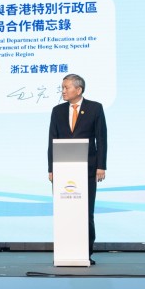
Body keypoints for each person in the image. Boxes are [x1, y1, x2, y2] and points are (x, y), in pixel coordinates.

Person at [48, 73, 107, 264]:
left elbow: (101, 139)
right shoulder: (57, 111)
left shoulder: (95, 108)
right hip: (63, 170)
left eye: (66, 87)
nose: (63, 91)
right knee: (65, 212)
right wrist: (51, 168)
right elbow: (52, 140)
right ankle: (64, 252)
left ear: (78, 89)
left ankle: (85, 253)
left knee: (85, 212)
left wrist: (101, 166)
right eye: (62, 88)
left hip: (87, 169)